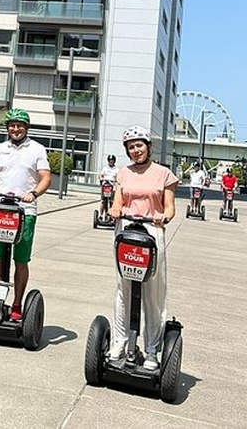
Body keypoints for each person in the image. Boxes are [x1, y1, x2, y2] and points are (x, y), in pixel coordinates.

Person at [108, 125, 178, 371]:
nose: (136, 150)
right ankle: (120, 342)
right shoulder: (122, 174)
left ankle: (151, 350)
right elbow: (118, 201)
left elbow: (169, 207)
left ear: (148, 146)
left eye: (139, 145)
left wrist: (164, 217)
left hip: (152, 231)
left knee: (152, 292)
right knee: (123, 289)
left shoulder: (163, 174)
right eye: (131, 147)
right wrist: (115, 209)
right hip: (126, 231)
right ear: (127, 151)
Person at [0, 108, 51, 321]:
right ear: (8, 128)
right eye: (12, 125)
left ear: (26, 128)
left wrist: (34, 192)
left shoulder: (37, 149)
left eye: (20, 125)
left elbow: (46, 177)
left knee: (21, 259)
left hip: (25, 211)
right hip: (1, 209)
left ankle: (18, 303)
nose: (16, 129)